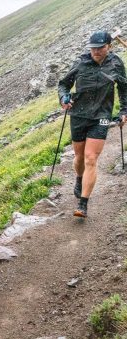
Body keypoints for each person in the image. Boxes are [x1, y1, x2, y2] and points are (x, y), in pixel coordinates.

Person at [58, 30, 127, 218]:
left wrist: (124, 111)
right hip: (79, 115)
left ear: (109, 47)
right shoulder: (80, 63)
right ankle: (79, 179)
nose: (95, 51)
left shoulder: (116, 64)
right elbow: (63, 84)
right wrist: (64, 97)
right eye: (93, 48)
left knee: (90, 158)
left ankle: (83, 204)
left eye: (100, 48)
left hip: (102, 116)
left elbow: (124, 89)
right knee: (79, 157)